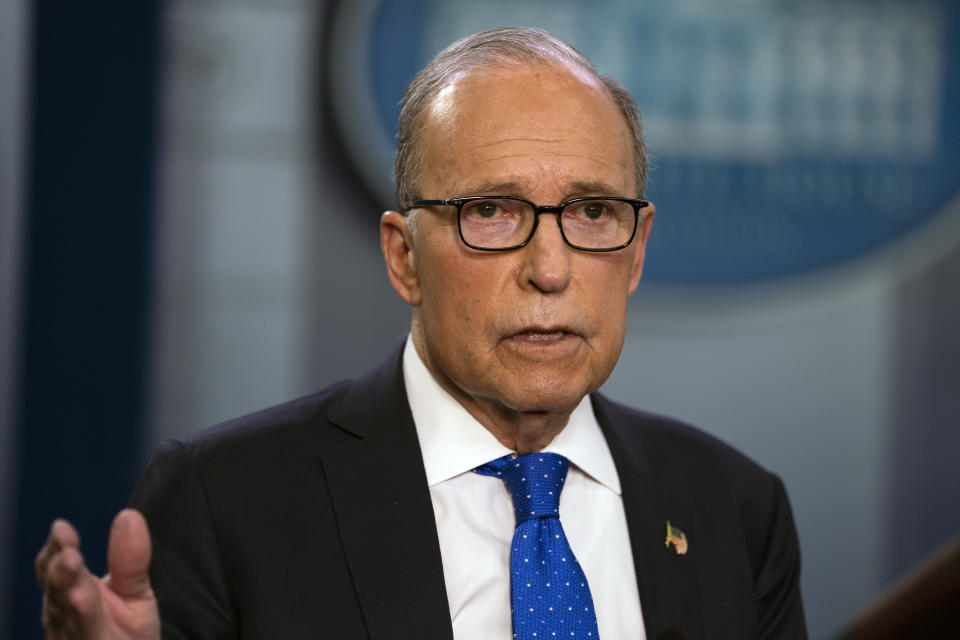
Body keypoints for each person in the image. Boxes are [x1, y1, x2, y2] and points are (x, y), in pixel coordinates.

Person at [36, 27, 807, 639]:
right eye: (493, 212)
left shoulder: (734, 510)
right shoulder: (225, 502)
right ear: (405, 259)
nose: (550, 268)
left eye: (592, 213)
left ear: (634, 254)